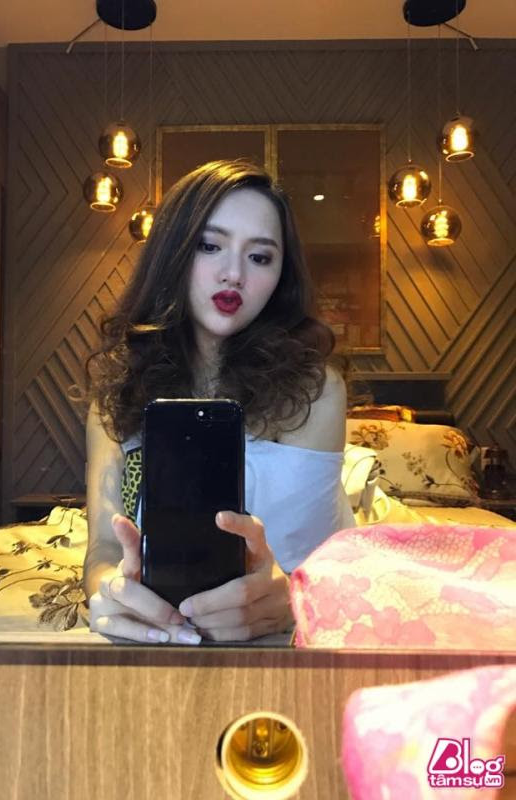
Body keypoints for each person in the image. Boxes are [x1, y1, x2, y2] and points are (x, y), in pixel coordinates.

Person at [84, 159, 353, 645]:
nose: (234, 275)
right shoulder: (118, 391)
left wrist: (287, 603)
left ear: (281, 276)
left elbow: (313, 564)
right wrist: (111, 592)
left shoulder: (314, 391)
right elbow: (103, 547)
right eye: (210, 246)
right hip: (163, 632)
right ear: (172, 254)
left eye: (260, 257)